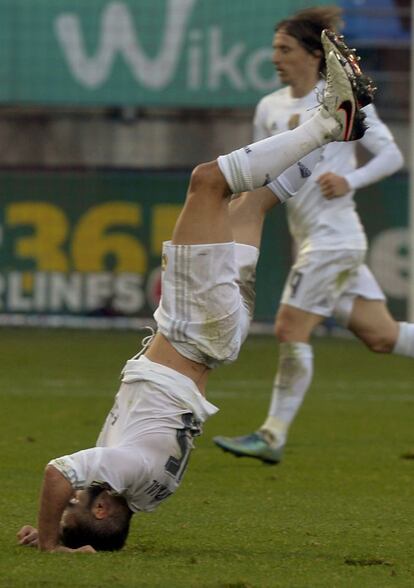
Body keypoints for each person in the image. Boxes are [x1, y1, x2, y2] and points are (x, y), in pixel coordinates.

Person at [16, 34, 368, 552]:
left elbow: (75, 493)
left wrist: (50, 531)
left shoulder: (150, 494)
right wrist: (51, 543)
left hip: (221, 337)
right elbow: (55, 474)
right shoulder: (125, 470)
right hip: (192, 327)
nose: (72, 495)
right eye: (78, 505)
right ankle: (329, 120)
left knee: (249, 207)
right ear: (99, 507)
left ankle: (337, 132)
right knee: (207, 183)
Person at [213, 7, 410, 466]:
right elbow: (259, 174)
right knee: (382, 335)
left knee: (288, 327)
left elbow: (392, 155)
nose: (275, 57)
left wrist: (350, 181)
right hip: (312, 239)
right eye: (274, 49)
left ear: (312, 55)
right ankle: (272, 434)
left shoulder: (339, 100)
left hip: (335, 238)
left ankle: (272, 434)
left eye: (285, 49)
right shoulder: (269, 108)